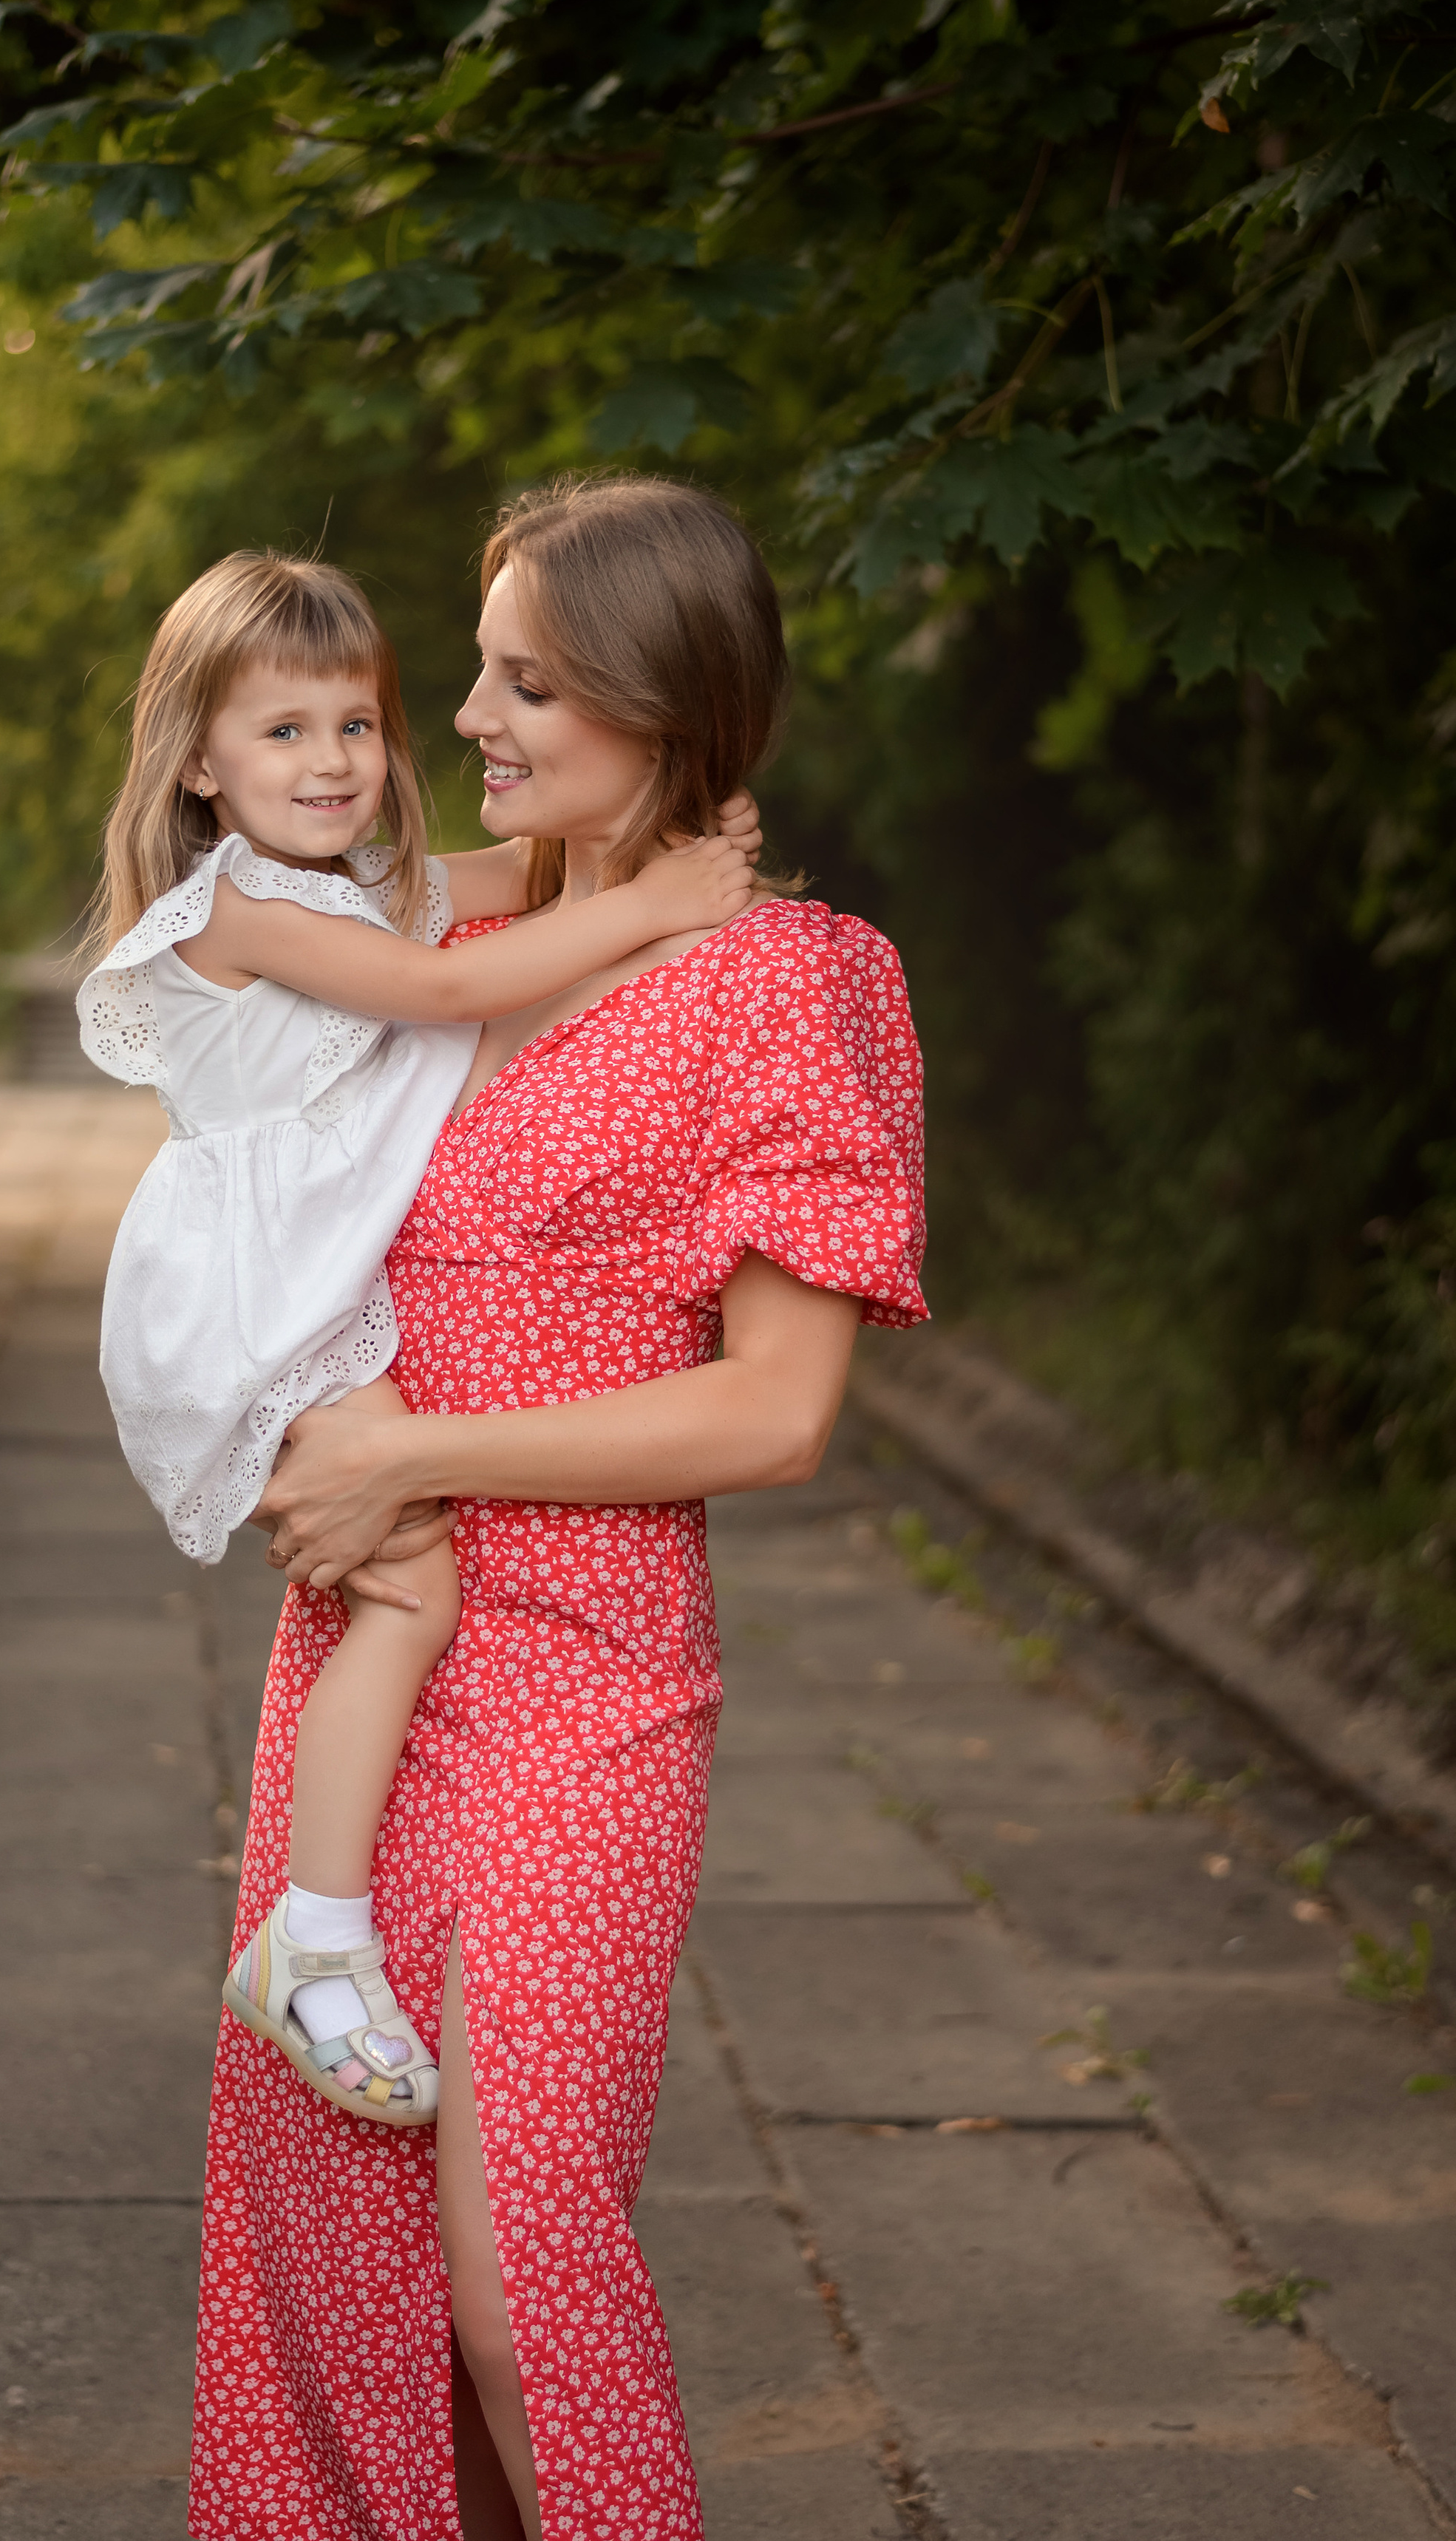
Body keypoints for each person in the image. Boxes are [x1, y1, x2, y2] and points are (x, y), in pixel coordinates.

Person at [188, 477, 928, 2541]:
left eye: (531, 681)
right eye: (485, 670)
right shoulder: (447, 948)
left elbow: (780, 1411)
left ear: (665, 702)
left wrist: (410, 1454)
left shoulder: (792, 979)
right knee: (347, 2285)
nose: (479, 719)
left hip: (587, 1675)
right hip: (362, 1649)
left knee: (524, 2281)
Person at [78, 550, 758, 2126]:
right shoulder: (249, 906)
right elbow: (447, 987)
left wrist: (669, 845)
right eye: (282, 734)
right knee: (411, 1586)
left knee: (398, 1586)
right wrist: (655, 903)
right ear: (196, 762)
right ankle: (314, 1942)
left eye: (354, 727)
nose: (333, 764)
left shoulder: (326, 884)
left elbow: (507, 888)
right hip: (263, 1299)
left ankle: (318, 1929)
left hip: (293, 1282)